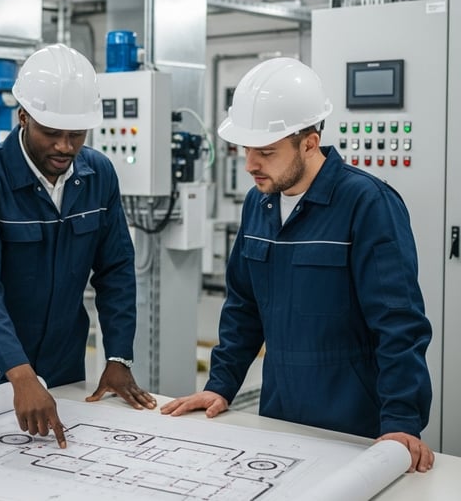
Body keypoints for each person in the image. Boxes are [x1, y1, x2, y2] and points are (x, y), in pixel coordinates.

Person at [160, 57, 434, 473]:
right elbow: (243, 306)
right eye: (245, 148)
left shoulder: (366, 203)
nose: (250, 163)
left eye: (266, 151)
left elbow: (399, 324)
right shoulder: (259, 202)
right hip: (279, 414)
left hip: (356, 425)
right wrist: (221, 386)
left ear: (309, 142)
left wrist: (401, 422)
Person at [0, 43, 156, 448]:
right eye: (52, 132)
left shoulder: (99, 175)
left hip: (64, 365)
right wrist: (19, 374)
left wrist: (118, 357)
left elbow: (115, 269)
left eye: (76, 134)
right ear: (23, 116)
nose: (64, 146)